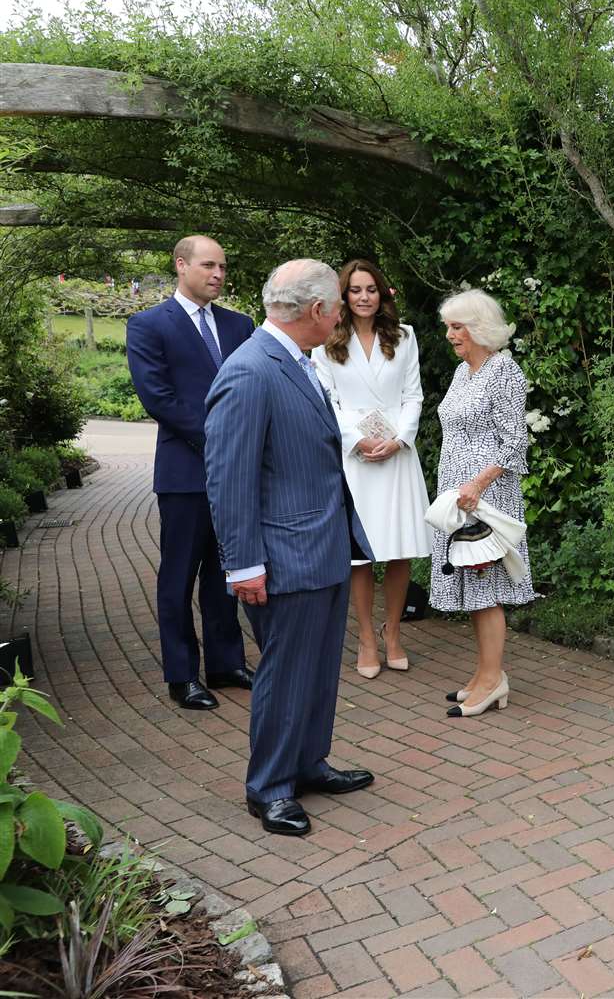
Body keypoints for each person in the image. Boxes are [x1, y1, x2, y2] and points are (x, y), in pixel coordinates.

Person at [204, 259, 376, 837]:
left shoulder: (296, 360)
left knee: (320, 667)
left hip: (322, 547)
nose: (340, 317)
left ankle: (308, 763)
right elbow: (229, 477)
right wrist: (243, 564)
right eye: (337, 308)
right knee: (283, 673)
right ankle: (270, 788)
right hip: (282, 558)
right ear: (319, 311)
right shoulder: (251, 370)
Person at [126, 235, 256, 711]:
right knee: (178, 576)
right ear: (181, 266)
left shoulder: (240, 325)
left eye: (223, 265)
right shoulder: (147, 325)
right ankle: (182, 675)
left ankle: (226, 663)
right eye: (208, 265)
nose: (218, 273)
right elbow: (157, 396)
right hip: (185, 472)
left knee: (228, 571)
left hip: (236, 475)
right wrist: (220, 440)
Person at [312, 260, 433, 679]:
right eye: (356, 290)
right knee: (359, 557)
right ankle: (365, 637)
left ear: (382, 294)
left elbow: (414, 395)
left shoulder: (404, 337)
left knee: (399, 550)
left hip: (397, 452)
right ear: (343, 296)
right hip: (355, 458)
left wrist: (399, 438)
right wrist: (356, 440)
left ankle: (394, 632)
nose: (364, 297)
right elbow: (326, 401)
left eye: (371, 289)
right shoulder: (326, 342)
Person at [431, 290, 534, 718]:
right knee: (473, 589)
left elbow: (514, 444)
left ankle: (493, 681)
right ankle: (483, 674)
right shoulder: (462, 373)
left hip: (485, 496)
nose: (451, 335)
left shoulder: (504, 371)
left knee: (486, 587)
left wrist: (477, 484)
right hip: (459, 494)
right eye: (449, 327)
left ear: (480, 328)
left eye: (458, 327)